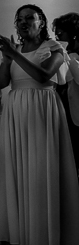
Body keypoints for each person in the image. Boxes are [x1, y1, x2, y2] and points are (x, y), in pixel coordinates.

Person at [0, 5, 79, 245]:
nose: (23, 22)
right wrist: (7, 58)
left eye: (29, 18)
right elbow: (1, 83)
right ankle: (25, 240)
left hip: (42, 110)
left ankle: (47, 242)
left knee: (41, 174)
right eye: (19, 19)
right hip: (16, 111)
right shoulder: (15, 50)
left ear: (41, 22)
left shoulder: (55, 48)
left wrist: (14, 54)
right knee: (20, 173)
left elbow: (43, 76)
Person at [53, 12, 79, 172]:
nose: (57, 38)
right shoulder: (65, 56)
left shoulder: (72, 57)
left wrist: (69, 57)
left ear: (73, 34)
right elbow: (61, 81)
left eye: (60, 34)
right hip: (67, 114)